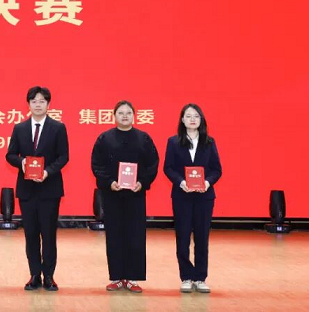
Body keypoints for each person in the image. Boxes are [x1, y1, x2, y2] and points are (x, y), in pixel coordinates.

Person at [91, 100, 159, 293]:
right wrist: (109, 182)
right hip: (112, 194)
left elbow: (152, 164)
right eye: (121, 113)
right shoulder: (105, 138)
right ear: (114, 116)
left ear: (134, 116)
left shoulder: (143, 138)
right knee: (114, 235)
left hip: (136, 195)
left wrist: (142, 182)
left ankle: (132, 278)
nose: (125, 116)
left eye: (128, 113)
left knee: (135, 235)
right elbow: (97, 165)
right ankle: (116, 277)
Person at [5, 86, 69, 292]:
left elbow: (64, 156)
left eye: (42, 101)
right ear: (28, 104)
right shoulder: (20, 128)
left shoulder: (58, 128)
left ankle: (49, 276)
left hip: (50, 189)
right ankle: (34, 275)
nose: (38, 104)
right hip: (27, 190)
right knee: (31, 234)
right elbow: (10, 155)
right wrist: (22, 163)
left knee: (48, 234)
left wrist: (47, 172)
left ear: (48, 104)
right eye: (34, 101)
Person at [163, 103, 222, 293]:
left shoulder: (209, 142)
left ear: (201, 119)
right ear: (182, 120)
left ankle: (200, 277)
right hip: (182, 196)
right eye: (188, 116)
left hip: (204, 197)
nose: (192, 119)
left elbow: (217, 169)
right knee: (182, 237)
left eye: (196, 116)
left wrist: (207, 183)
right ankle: (186, 277)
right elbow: (168, 167)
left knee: (202, 238)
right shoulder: (173, 142)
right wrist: (181, 182)